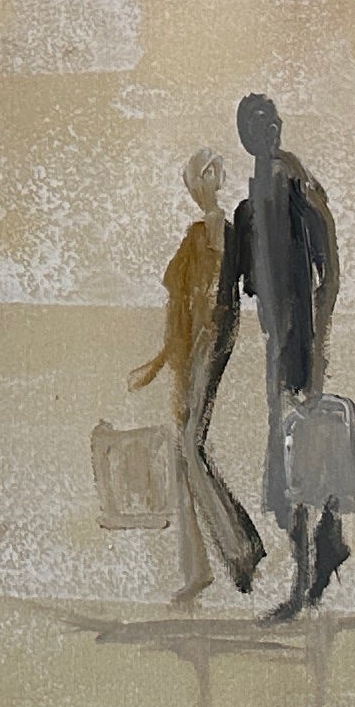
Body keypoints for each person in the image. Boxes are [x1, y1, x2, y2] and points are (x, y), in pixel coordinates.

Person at [208, 92, 351, 619]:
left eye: (271, 121)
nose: (269, 131)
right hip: (279, 347)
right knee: (292, 458)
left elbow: (328, 271)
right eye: (257, 124)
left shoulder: (296, 187)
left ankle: (306, 577)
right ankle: (321, 554)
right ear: (245, 136)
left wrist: (318, 345)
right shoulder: (250, 207)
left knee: (298, 458)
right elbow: (235, 292)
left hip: (302, 344)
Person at [125, 150, 265, 605]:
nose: (199, 186)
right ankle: (201, 567)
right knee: (183, 448)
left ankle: (239, 548)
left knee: (189, 444)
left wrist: (187, 353)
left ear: (211, 181)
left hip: (209, 341)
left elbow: (219, 300)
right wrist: (164, 362)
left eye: (204, 178)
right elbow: (181, 308)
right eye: (195, 180)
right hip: (195, 345)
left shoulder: (218, 230)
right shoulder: (198, 234)